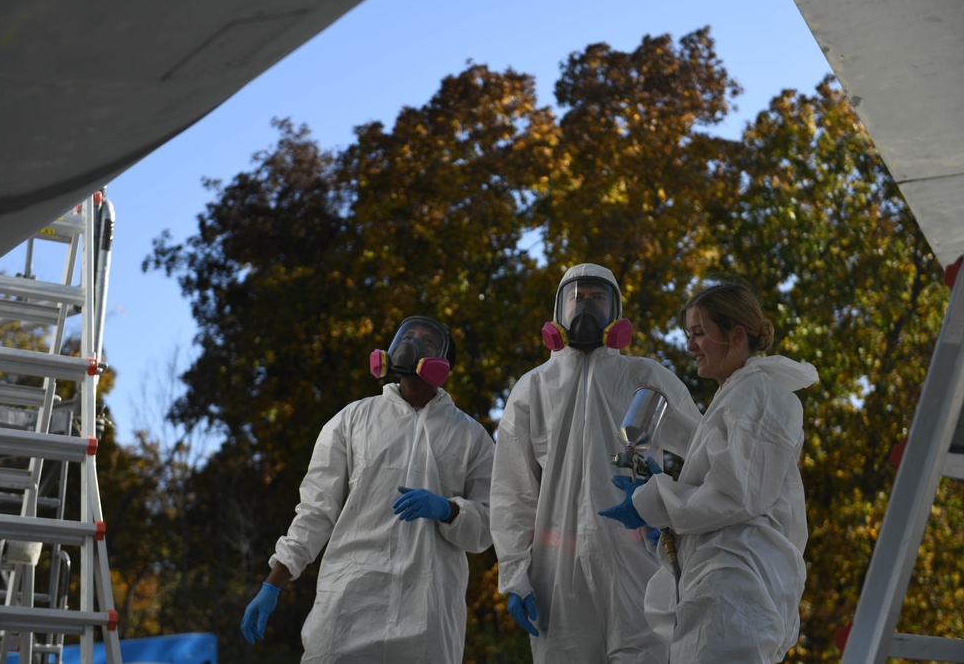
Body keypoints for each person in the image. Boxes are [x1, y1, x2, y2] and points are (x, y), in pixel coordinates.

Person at [240, 315, 495, 663]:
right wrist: (273, 582)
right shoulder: (352, 420)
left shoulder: (471, 436)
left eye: (428, 341)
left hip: (429, 613)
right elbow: (316, 511)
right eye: (408, 336)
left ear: (443, 364)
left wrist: (448, 509)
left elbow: (488, 527)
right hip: (350, 603)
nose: (413, 343)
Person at [490, 263, 702, 663]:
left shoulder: (645, 377)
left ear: (615, 311)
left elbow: (706, 452)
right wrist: (515, 574)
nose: (586, 307)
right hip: (557, 575)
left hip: (639, 561)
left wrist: (675, 510)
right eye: (577, 298)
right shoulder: (533, 388)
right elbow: (511, 491)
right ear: (558, 311)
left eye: (597, 298)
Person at [599, 278, 819, 663]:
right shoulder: (735, 395)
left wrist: (653, 500)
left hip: (735, 589)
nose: (690, 345)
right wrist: (662, 506)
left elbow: (737, 495)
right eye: (689, 333)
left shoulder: (760, 395)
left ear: (736, 335)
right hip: (718, 590)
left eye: (699, 333)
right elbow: (726, 489)